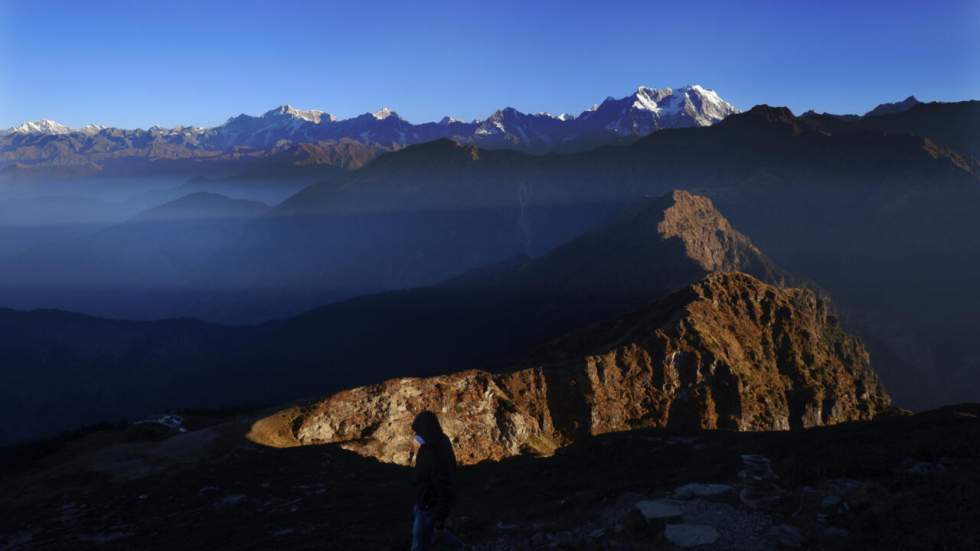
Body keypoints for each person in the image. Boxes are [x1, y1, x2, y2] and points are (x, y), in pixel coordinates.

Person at [411, 410, 464, 550]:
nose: (416, 436)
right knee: (436, 534)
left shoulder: (432, 452)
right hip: (426, 502)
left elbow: (443, 483)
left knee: (419, 542)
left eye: (418, 432)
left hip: (429, 504)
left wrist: (440, 514)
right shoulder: (440, 442)